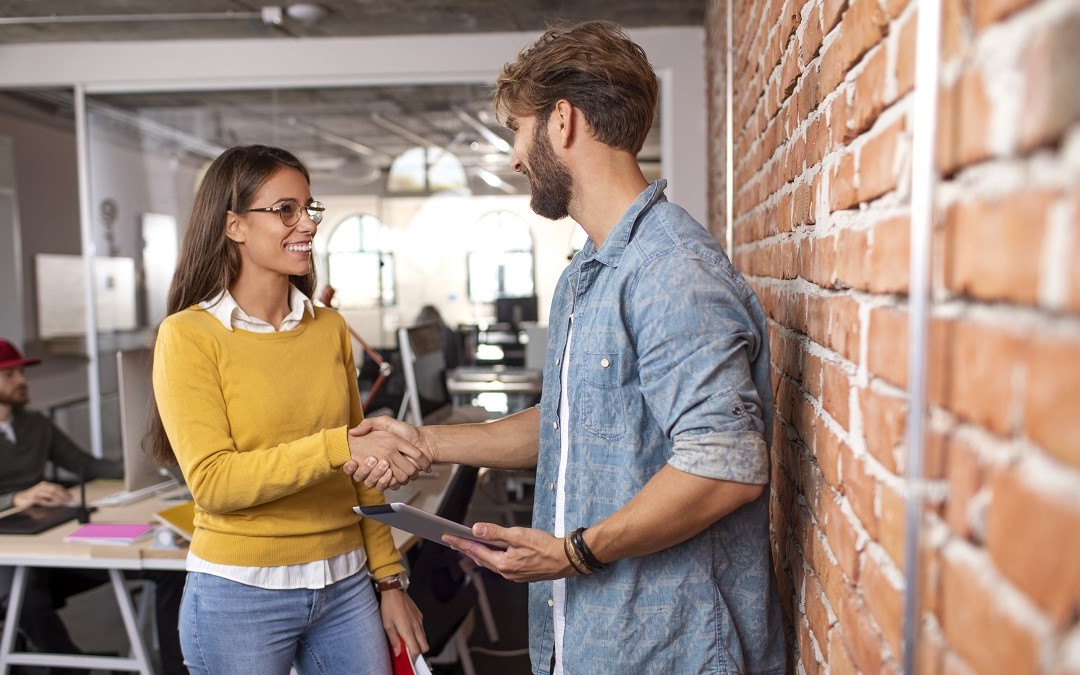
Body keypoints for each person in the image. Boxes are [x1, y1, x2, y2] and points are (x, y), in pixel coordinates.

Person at [347, 20, 786, 674]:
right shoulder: (587, 274)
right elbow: (567, 425)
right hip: (588, 639)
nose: (514, 158)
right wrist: (427, 442)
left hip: (673, 651)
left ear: (561, 122)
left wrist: (573, 552)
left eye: (516, 131)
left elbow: (723, 469)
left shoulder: (672, 272)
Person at [144, 144, 429, 674]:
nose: (308, 225)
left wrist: (389, 580)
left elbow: (360, 472)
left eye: (309, 208)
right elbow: (215, 483)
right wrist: (337, 445)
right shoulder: (188, 336)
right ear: (234, 226)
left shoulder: (328, 328)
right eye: (285, 210)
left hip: (345, 586)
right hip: (239, 594)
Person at [0, 337, 187, 674]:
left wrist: (162, 464)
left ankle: (176, 670)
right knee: (28, 597)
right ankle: (69, 665)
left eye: (21, 372)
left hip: (49, 531)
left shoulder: (34, 423)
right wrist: (15, 499)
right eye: (8, 375)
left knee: (165, 567)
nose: (21, 380)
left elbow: (87, 465)